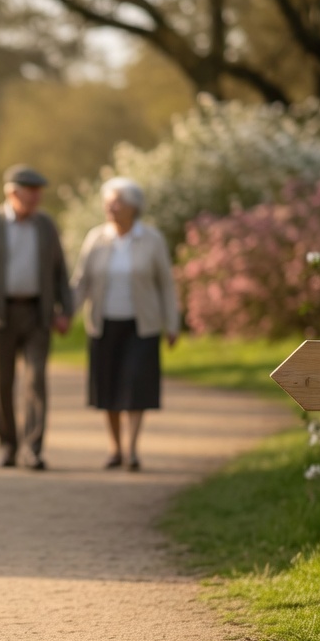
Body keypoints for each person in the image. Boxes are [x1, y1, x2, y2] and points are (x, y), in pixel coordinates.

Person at [0, 164, 73, 471]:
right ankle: (8, 446)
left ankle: (33, 450)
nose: (37, 198)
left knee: (36, 381)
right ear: (12, 192)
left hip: (38, 314)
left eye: (39, 192)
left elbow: (61, 272)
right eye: (31, 192)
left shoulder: (46, 226)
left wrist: (66, 310)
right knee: (1, 383)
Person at [71, 176, 179, 472]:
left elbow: (165, 285)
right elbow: (81, 282)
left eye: (117, 202)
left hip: (141, 325)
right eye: (108, 202)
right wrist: (66, 312)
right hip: (104, 324)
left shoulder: (152, 240)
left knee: (135, 387)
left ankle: (132, 450)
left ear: (133, 207)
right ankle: (114, 448)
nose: (111, 207)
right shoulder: (96, 238)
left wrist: (172, 324)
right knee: (108, 388)